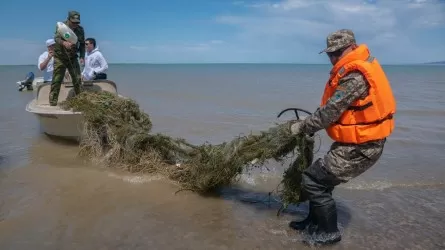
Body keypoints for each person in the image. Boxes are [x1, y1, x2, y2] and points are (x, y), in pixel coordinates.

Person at [288, 29, 396, 246]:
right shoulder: (356, 68)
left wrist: (301, 127)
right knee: (320, 179)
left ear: (352, 47)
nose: (333, 58)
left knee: (312, 180)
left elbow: (329, 112)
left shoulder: (354, 77)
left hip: (364, 147)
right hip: (356, 142)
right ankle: (313, 222)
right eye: (330, 53)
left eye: (337, 52)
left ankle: (329, 233)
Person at [50, 10, 85, 106]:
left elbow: (82, 45)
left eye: (77, 22)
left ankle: (81, 101)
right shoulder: (61, 26)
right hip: (60, 57)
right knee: (57, 80)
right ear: (68, 19)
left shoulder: (80, 30)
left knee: (77, 79)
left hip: (73, 57)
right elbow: (56, 38)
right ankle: (53, 102)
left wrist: (82, 56)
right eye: (73, 22)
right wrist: (64, 43)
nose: (75, 24)